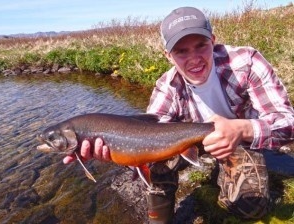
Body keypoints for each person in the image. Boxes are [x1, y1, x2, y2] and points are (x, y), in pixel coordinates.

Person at [63, 6, 294, 224]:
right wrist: (117, 152)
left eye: (201, 46)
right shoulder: (167, 87)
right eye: (181, 51)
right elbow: (145, 140)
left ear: (213, 41)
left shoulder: (247, 63)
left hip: (239, 140)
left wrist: (242, 129)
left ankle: (224, 175)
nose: (193, 58)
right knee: (155, 166)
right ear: (168, 55)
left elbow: (287, 123)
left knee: (250, 207)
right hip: (188, 140)